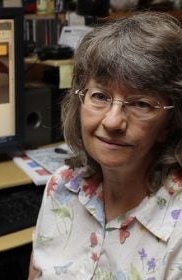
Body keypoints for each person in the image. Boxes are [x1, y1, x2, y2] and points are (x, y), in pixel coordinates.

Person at [28, 12, 182, 279]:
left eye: (141, 104)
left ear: (169, 123)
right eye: (100, 96)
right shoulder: (61, 187)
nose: (112, 121)